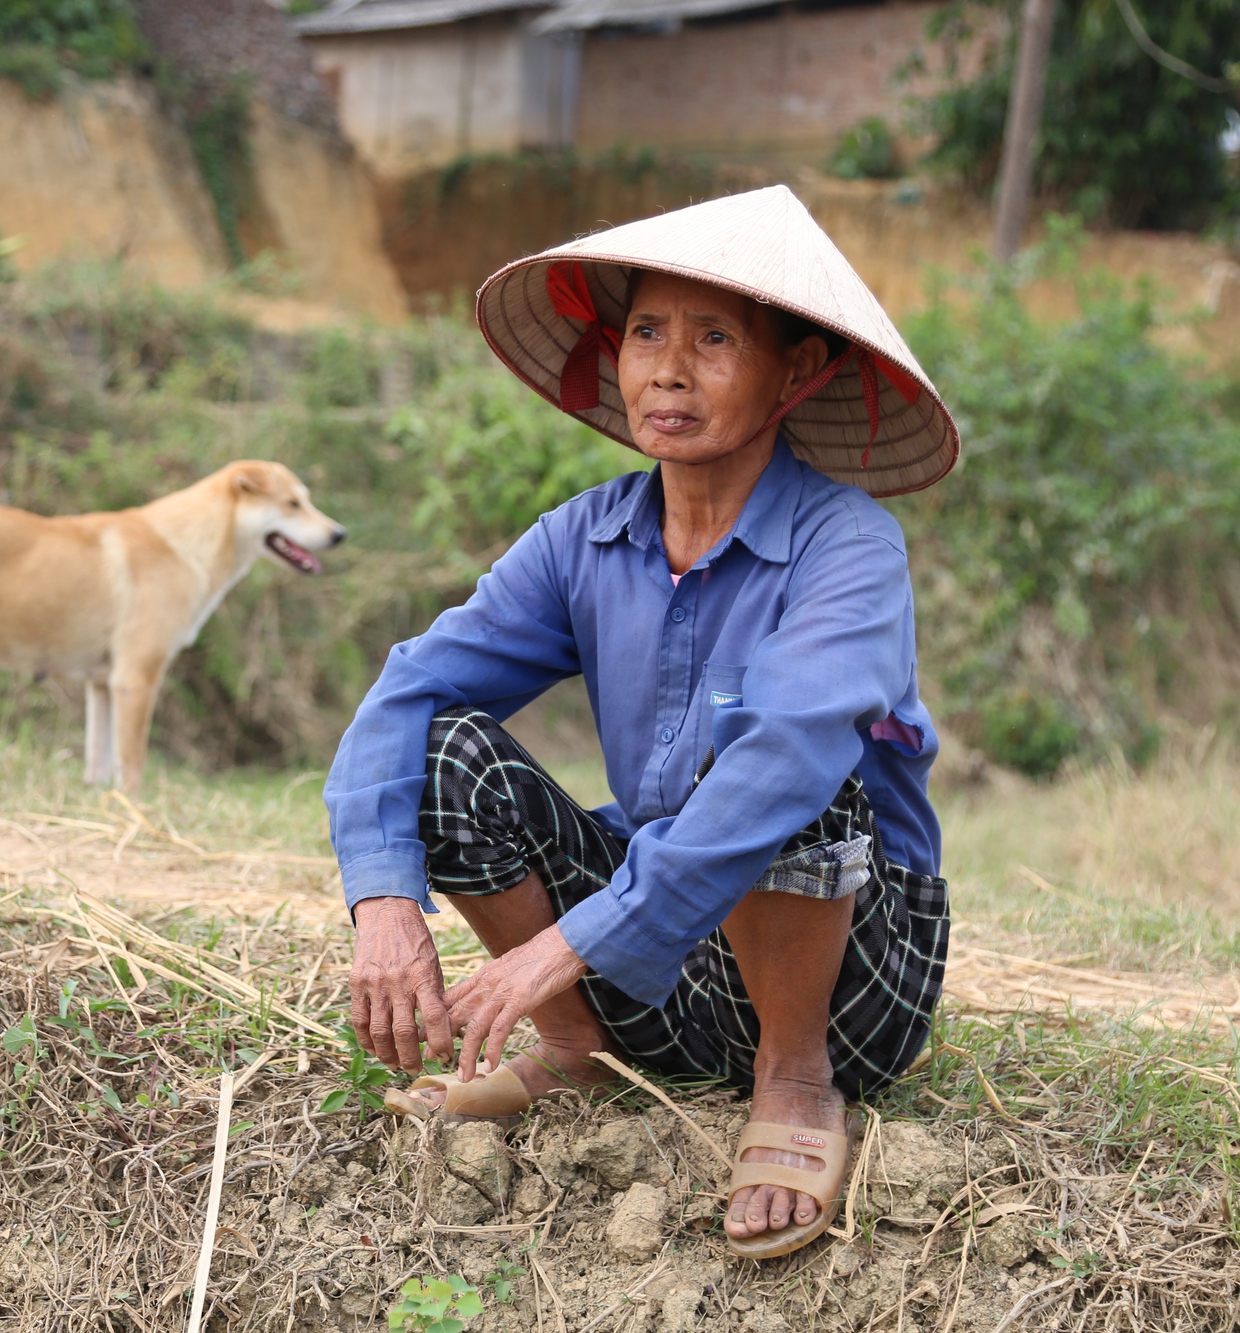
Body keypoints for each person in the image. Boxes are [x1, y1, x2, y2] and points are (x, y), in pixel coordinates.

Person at [324, 186, 957, 1261]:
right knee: (442, 754)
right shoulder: (586, 536)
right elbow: (409, 689)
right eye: (648, 332)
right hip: (655, 967)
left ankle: (792, 1081)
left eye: (714, 338)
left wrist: (565, 942)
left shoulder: (848, 546)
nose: (668, 367)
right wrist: (382, 901)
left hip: (846, 970)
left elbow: (789, 755)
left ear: (794, 374)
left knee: (777, 771)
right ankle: (576, 1054)